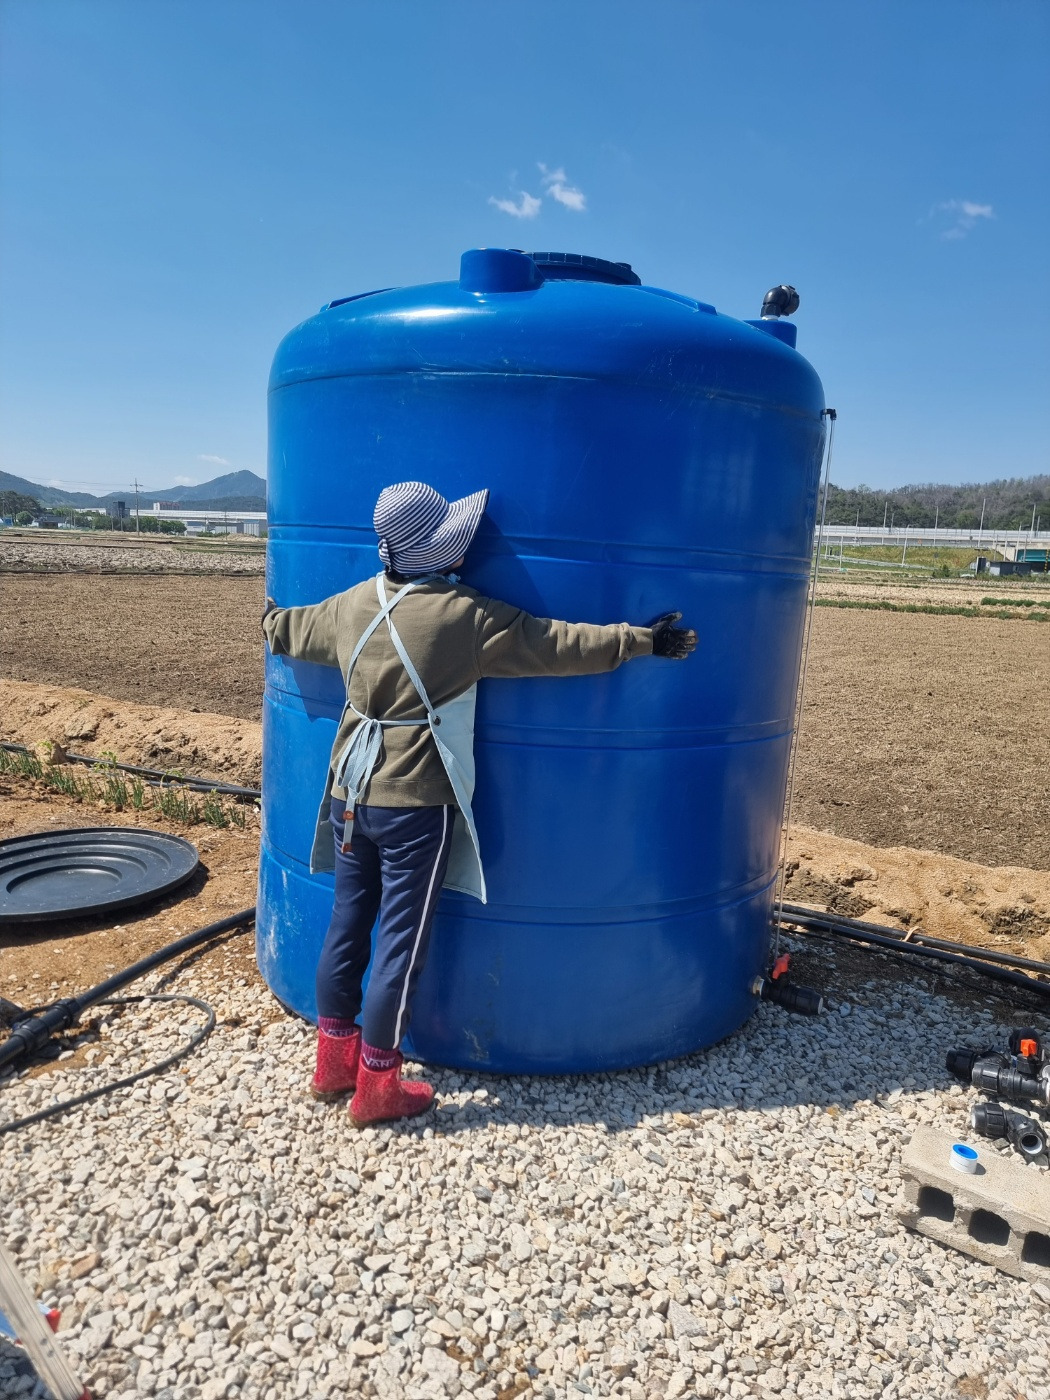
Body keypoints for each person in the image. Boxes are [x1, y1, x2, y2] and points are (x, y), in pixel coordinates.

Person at [262, 481, 697, 1127]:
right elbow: (555, 643)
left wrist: (267, 615)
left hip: (347, 794)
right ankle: (378, 1087)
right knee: (400, 946)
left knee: (347, 926)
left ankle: (332, 1063)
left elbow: (286, 629)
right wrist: (640, 640)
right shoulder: (463, 617)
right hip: (415, 802)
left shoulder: (349, 605)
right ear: (441, 549)